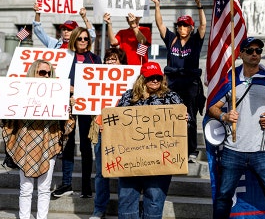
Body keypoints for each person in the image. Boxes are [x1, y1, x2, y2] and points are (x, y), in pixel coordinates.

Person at [207, 37, 265, 218]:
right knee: (223, 197)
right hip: (233, 150)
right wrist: (224, 115)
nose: (255, 54)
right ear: (240, 54)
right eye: (250, 50)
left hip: (263, 151)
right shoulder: (231, 79)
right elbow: (212, 108)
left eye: (258, 50)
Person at [0, 60, 75, 219]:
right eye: (42, 72)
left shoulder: (56, 94)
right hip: (25, 143)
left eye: (48, 73)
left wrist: (69, 106)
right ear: (34, 72)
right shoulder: (20, 92)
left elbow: (67, 125)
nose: (46, 76)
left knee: (45, 189)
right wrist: (3, 101)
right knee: (25, 188)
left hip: (49, 143)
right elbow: (4, 121)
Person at [115, 61, 183, 218]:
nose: (155, 80)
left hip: (160, 160)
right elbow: (117, 122)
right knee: (126, 202)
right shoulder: (128, 96)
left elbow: (184, 125)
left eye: (158, 77)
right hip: (130, 158)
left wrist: (183, 119)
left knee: (154, 203)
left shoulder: (171, 97)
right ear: (142, 79)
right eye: (151, 77)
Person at [153, 0, 206, 163]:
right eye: (180, 26)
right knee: (171, 116)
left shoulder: (196, 41)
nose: (182, 29)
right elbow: (160, 24)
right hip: (173, 82)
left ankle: (191, 150)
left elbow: (204, 25)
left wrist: (199, 5)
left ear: (191, 28)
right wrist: (158, 5)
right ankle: (172, 148)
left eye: (186, 26)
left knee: (189, 117)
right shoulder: (171, 39)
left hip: (190, 83)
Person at [52, 27, 101, 199]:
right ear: (74, 38)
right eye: (79, 38)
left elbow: (100, 81)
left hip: (88, 105)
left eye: (86, 39)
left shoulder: (95, 59)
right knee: (68, 143)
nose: (83, 41)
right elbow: (55, 79)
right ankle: (66, 184)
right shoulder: (65, 57)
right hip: (68, 103)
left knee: (87, 147)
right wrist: (69, 88)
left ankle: (86, 187)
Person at [89, 47, 126, 219]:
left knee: (123, 171)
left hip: (122, 132)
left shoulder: (129, 81)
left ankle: (124, 209)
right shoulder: (97, 77)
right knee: (101, 173)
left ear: (121, 62)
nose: (110, 62)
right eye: (108, 59)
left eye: (114, 59)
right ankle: (99, 209)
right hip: (102, 129)